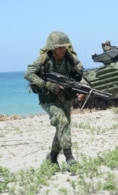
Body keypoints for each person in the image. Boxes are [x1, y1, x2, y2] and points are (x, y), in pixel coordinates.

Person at [24, 31, 84, 168]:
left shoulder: (70, 58)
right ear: (52, 47)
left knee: (62, 128)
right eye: (59, 47)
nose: (62, 50)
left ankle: (51, 159)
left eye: (64, 47)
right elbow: (28, 73)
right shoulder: (44, 59)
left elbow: (80, 74)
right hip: (49, 99)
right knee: (62, 122)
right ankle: (69, 157)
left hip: (66, 98)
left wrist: (81, 89)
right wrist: (46, 84)